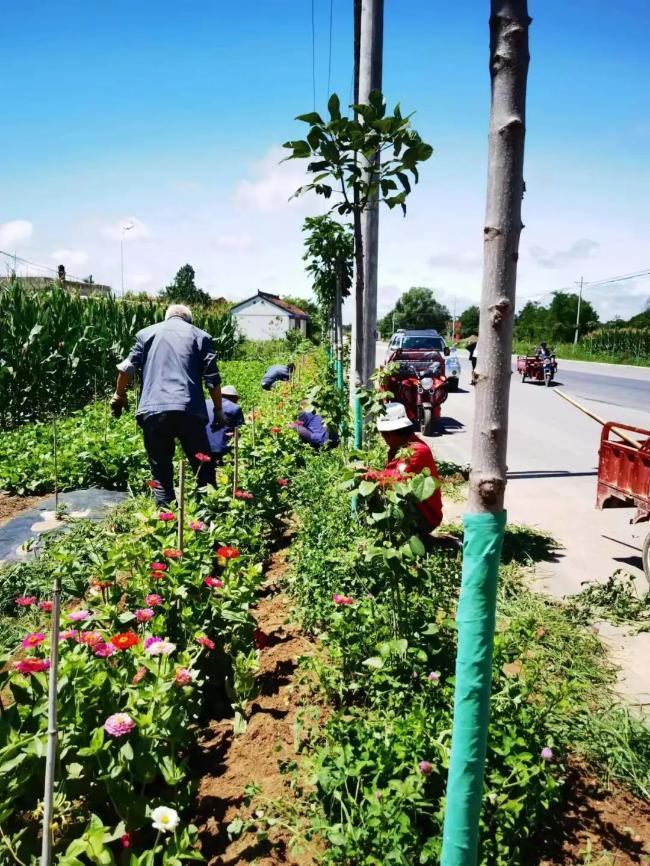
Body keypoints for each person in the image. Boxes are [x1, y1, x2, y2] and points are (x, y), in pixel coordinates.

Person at [111, 304, 222, 505]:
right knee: (203, 468)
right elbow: (212, 378)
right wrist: (219, 410)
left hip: (154, 411)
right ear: (188, 319)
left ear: (167, 317)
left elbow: (126, 369)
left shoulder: (146, 334)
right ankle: (208, 518)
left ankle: (166, 520)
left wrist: (119, 396)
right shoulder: (200, 336)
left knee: (161, 473)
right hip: (189, 410)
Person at [370, 402, 443, 535]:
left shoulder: (416, 451)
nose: (384, 439)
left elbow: (394, 481)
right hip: (418, 509)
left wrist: (368, 475)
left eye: (385, 435)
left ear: (392, 434)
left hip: (426, 516)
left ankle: (423, 539)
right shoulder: (400, 446)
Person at [205, 385, 244, 463]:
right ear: (234, 398)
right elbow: (242, 430)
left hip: (201, 449)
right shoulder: (235, 408)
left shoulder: (204, 403)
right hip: (223, 452)